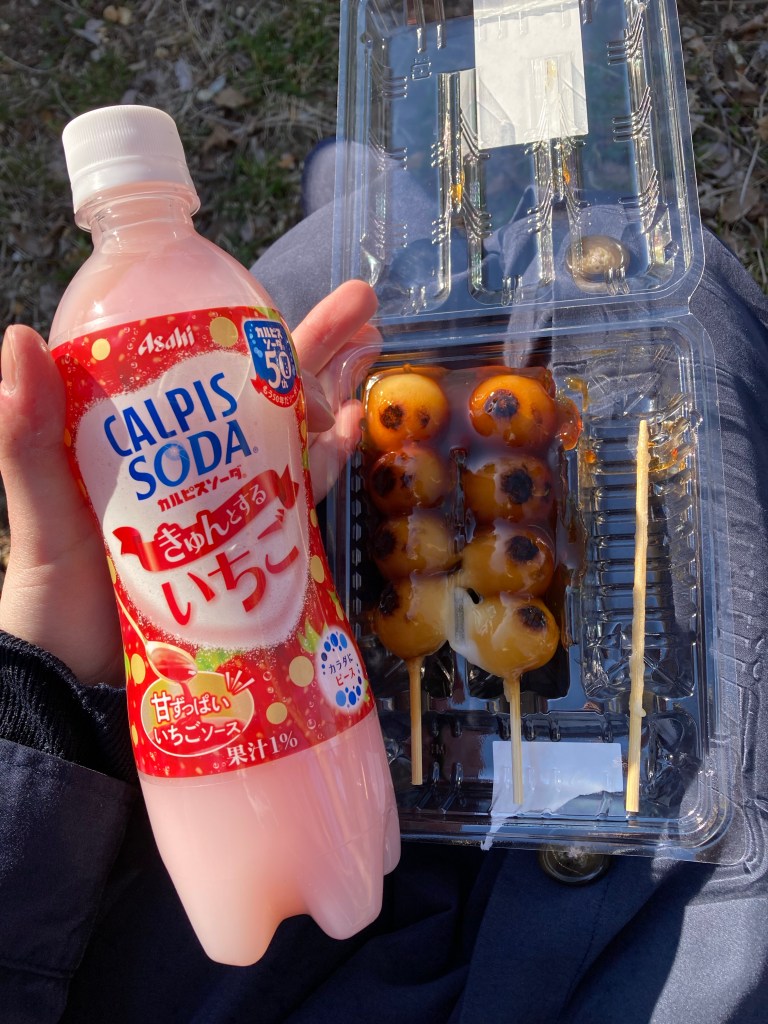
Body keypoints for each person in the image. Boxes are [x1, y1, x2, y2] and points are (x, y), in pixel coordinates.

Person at [1, 159, 768, 1023]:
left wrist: (45, 704)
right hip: (232, 921)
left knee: (362, 258)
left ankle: (378, 181)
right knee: (622, 245)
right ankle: (392, 181)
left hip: (182, 873)